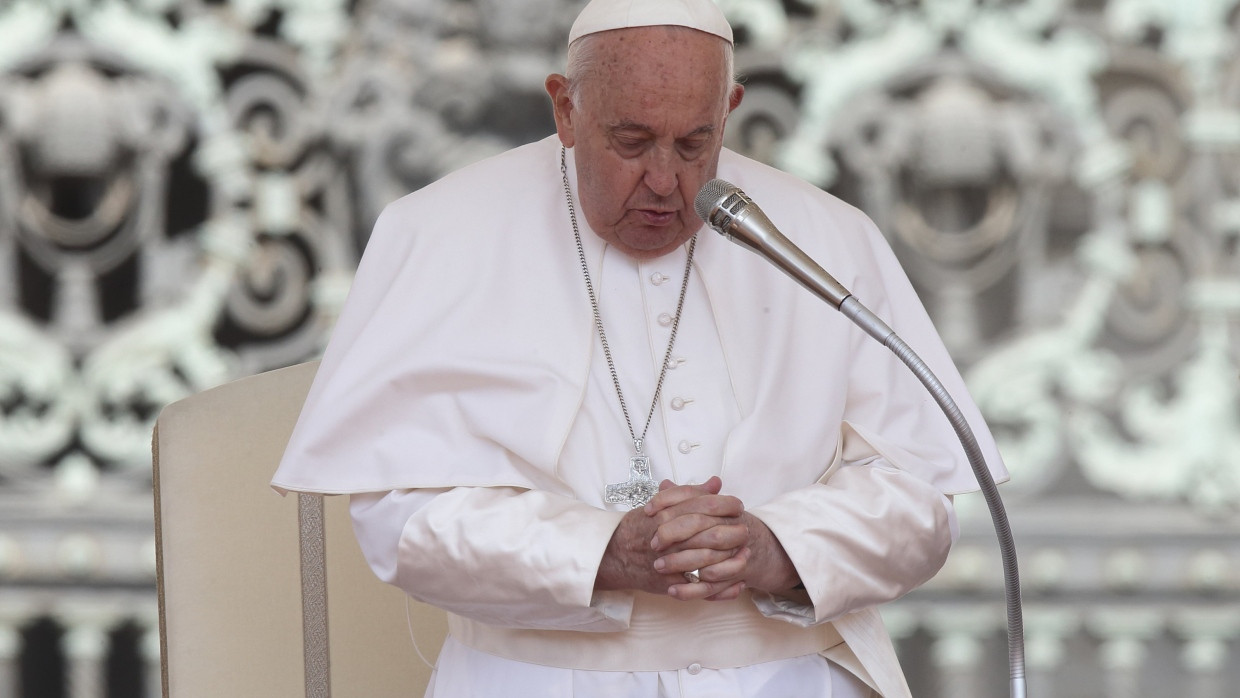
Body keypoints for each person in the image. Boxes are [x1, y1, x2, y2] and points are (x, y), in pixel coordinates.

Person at [271, 1, 1008, 696]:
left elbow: (919, 498)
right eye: (631, 142)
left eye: (695, 143)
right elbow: (398, 516)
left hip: (787, 677)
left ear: (731, 110)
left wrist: (776, 546)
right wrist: (601, 551)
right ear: (565, 108)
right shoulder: (439, 232)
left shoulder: (824, 238)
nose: (666, 181)